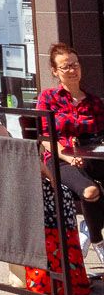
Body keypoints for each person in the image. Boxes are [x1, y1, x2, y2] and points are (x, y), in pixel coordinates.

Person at [36, 42, 104, 263]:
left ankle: (91, 222)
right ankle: (96, 239)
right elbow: (45, 137)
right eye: (65, 67)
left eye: (75, 65)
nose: (72, 70)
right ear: (55, 72)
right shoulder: (49, 98)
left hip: (92, 157)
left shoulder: (94, 102)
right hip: (60, 158)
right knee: (90, 192)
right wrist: (66, 156)